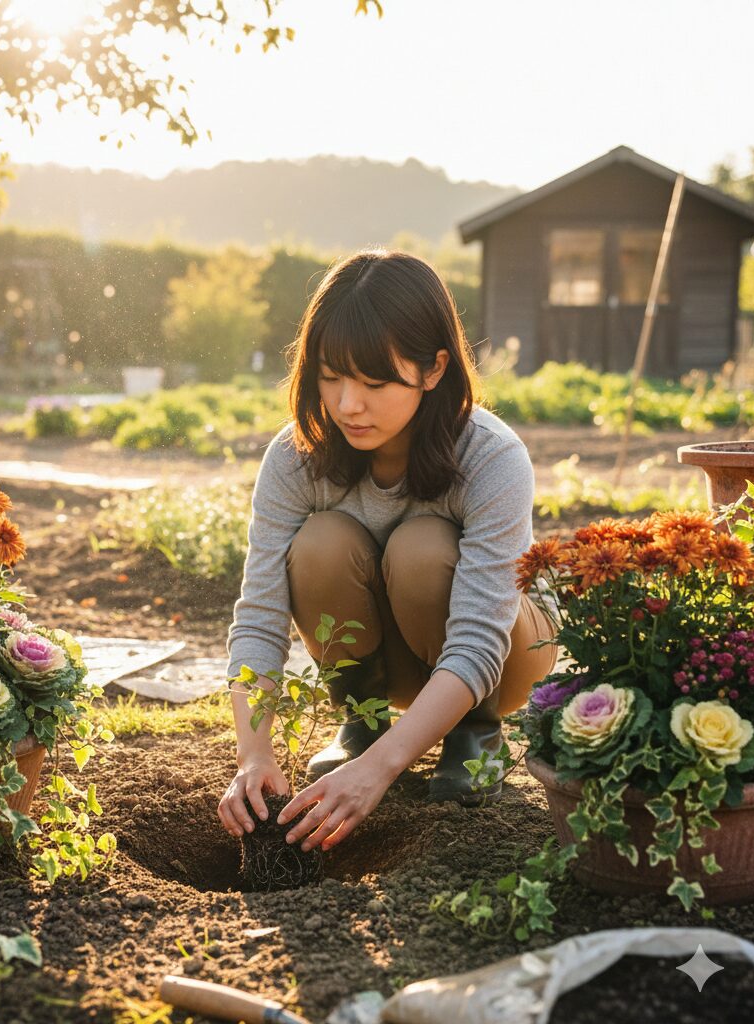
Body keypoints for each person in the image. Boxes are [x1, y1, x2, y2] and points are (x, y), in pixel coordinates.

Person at [216, 249, 557, 857]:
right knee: (320, 544)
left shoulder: (490, 457)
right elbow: (260, 615)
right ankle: (362, 721)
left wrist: (384, 770)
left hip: (504, 659)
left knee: (422, 546)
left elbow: (481, 637)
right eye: (330, 376)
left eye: (374, 382)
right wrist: (254, 752)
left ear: (433, 369)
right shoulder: (296, 459)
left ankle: (475, 737)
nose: (348, 404)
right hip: (390, 661)